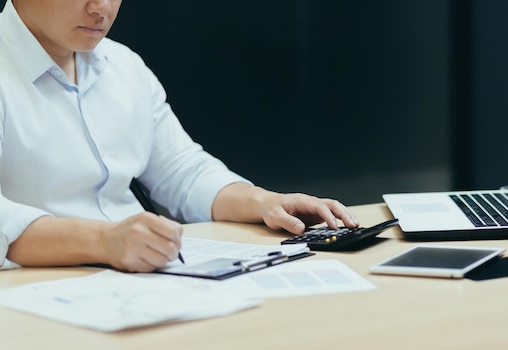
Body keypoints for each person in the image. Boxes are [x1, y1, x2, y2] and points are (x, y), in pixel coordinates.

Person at [0, 0, 359, 272]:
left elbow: (182, 171)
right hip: (35, 290)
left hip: (140, 281)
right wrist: (104, 242)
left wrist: (263, 202)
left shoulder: (123, 65)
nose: (102, 8)